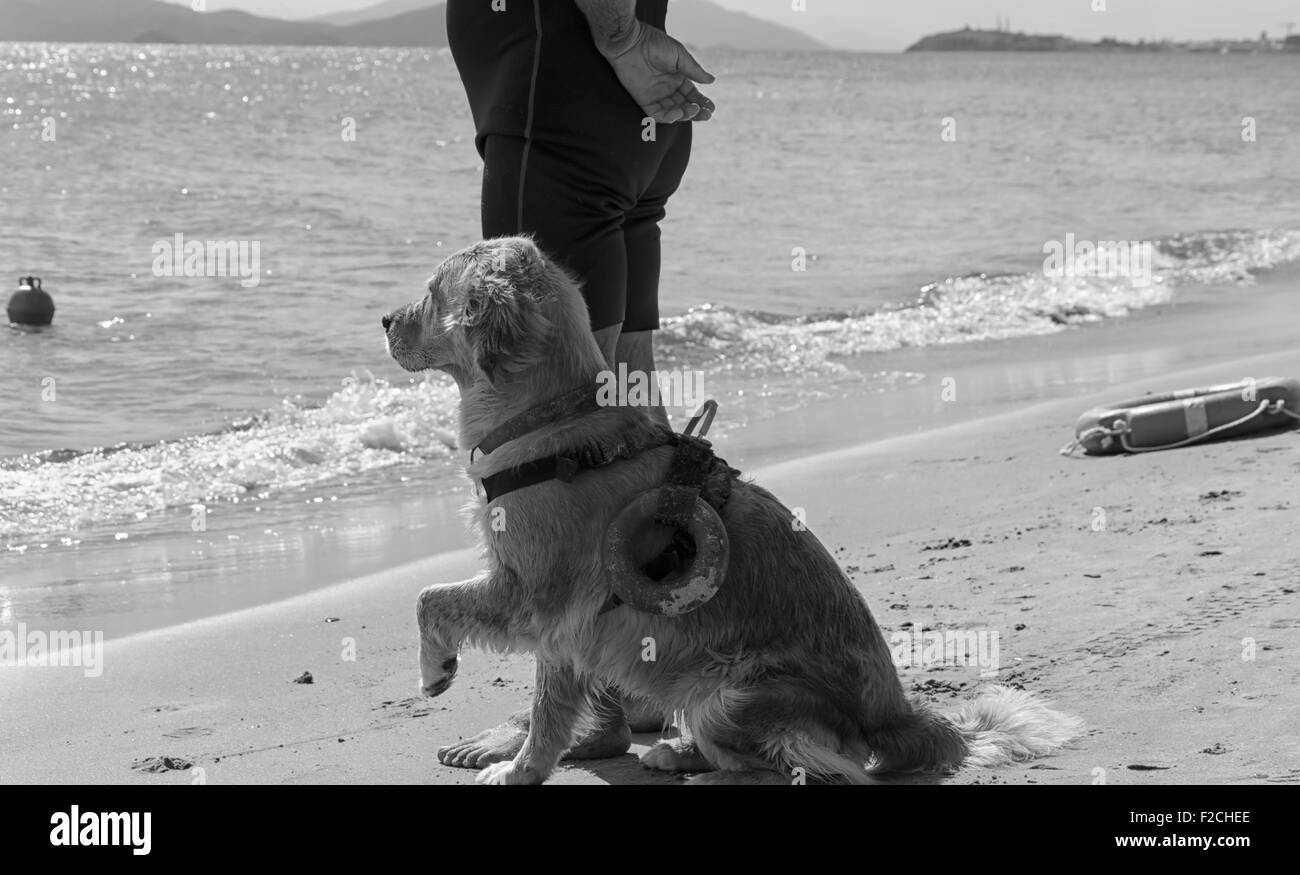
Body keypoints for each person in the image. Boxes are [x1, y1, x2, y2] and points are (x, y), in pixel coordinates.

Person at [438, 0, 715, 768]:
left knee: (562, 437)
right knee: (626, 411)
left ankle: (584, 709)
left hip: (558, 103)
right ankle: (643, 673)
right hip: (620, 126)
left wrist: (619, 38)